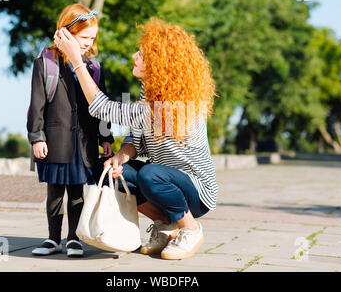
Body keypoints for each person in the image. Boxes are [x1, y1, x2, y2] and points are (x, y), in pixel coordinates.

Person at [54, 18, 218, 260]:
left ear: (157, 62)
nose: (134, 56)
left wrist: (77, 62)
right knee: (110, 168)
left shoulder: (171, 106)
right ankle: (165, 224)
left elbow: (103, 109)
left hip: (195, 191)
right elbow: (137, 138)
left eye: (141, 54)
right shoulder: (150, 93)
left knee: (150, 174)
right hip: (164, 181)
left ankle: (190, 228)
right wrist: (120, 157)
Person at [27, 3, 114, 258]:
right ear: (68, 33)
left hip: (83, 142)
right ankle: (53, 238)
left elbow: (102, 105)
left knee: (77, 192)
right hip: (54, 140)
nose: (89, 42)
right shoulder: (45, 62)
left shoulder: (95, 68)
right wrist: (36, 137)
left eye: (93, 38)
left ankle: (73, 238)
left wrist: (106, 137)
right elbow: (36, 104)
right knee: (54, 191)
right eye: (84, 37)